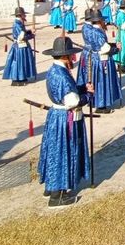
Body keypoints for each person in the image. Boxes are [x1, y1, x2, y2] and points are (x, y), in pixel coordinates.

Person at [37, 36, 90, 208]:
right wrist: (87, 96)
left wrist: (82, 88)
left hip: (56, 116)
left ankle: (52, 188)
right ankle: (57, 195)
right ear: (66, 56)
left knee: (55, 152)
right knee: (62, 153)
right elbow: (72, 101)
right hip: (64, 119)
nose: (74, 58)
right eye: (71, 55)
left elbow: (68, 93)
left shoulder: (54, 70)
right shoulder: (61, 75)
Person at [76, 9, 120, 113]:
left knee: (94, 79)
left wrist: (112, 45)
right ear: (100, 21)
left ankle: (94, 100)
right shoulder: (98, 32)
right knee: (101, 81)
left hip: (92, 56)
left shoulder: (88, 28)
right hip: (101, 58)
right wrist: (116, 49)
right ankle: (101, 105)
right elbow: (104, 48)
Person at [3, 7, 36, 86]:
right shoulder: (17, 24)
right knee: (19, 62)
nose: (25, 16)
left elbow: (23, 32)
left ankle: (23, 77)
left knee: (23, 61)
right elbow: (21, 37)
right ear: (21, 15)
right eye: (24, 15)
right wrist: (31, 35)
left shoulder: (20, 23)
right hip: (20, 46)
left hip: (22, 45)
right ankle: (18, 79)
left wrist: (30, 31)